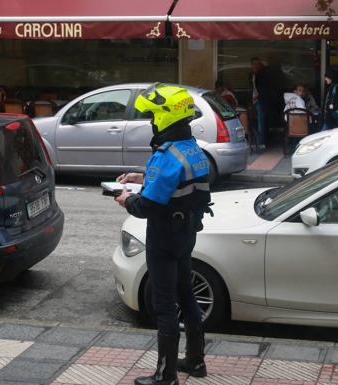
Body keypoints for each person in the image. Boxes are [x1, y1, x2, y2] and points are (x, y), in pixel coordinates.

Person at [115, 83, 212, 385]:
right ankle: (195, 362)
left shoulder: (165, 154)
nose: (152, 122)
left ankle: (165, 375)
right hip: (186, 233)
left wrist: (124, 198)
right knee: (187, 294)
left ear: (165, 118)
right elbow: (177, 182)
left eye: (154, 117)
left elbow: (146, 206)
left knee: (165, 306)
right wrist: (142, 177)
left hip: (164, 236)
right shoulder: (192, 149)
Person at [249, 57, 271, 151]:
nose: (255, 66)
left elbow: (265, 89)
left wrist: (259, 97)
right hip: (254, 100)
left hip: (261, 100)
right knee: (254, 121)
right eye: (253, 64)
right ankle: (255, 142)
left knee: (261, 122)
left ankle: (262, 142)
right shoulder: (251, 75)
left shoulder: (263, 75)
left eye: (257, 64)